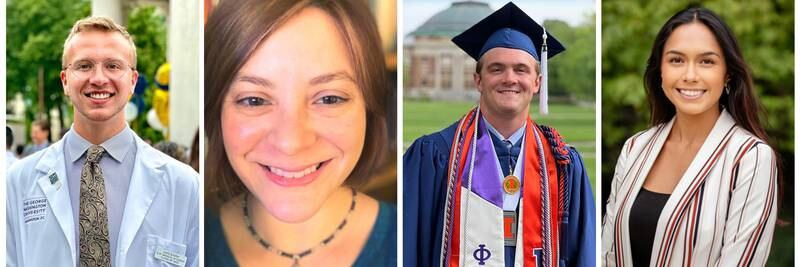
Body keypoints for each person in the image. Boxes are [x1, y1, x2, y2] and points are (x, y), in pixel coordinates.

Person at [204, 0, 396, 266]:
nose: (290, 143)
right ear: (216, 112)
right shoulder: (188, 241)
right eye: (255, 100)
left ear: (370, 106)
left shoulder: (420, 242)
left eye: (329, 99)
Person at [403, 2, 595, 267]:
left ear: (537, 82)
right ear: (478, 80)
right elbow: (408, 251)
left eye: (521, 69)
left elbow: (583, 255)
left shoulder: (563, 164)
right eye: (496, 69)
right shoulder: (435, 157)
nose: (509, 78)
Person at [6, 17, 199, 266]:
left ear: (132, 80)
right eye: (84, 66)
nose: (98, 78)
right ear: (65, 80)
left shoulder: (185, 187)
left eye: (113, 66)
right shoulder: (17, 183)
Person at [601, 7, 778, 267]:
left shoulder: (750, 159)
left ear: (727, 73)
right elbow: (608, 253)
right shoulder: (635, 148)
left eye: (707, 61)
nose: (690, 75)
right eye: (676, 60)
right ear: (660, 70)